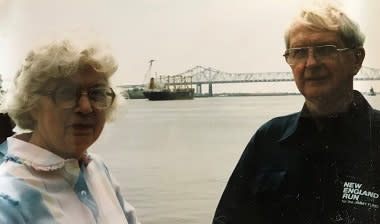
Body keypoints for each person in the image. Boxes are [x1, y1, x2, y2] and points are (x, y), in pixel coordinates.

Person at [213, 3, 380, 224]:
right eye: (299, 53)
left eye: (325, 49)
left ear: (356, 59)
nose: (310, 63)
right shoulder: (268, 138)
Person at [0, 39, 140, 224]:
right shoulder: (8, 200)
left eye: (97, 93)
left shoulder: (96, 167)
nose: (85, 107)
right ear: (32, 104)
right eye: (66, 93)